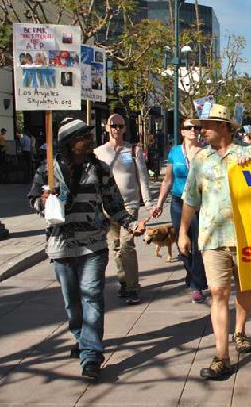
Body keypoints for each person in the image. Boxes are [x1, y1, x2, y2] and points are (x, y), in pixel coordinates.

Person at [28, 118, 145, 380]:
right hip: (61, 245)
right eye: (83, 136)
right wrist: (44, 201)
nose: (89, 139)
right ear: (70, 143)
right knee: (72, 302)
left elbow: (113, 203)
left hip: (93, 244)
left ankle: (91, 355)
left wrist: (129, 223)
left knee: (92, 295)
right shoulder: (48, 169)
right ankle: (81, 338)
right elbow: (33, 199)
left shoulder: (100, 168)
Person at [178, 104, 251, 380]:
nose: (200, 130)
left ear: (225, 127)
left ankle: (240, 331)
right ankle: (222, 356)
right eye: (198, 126)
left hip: (246, 236)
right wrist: (182, 231)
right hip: (212, 237)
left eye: (207, 125)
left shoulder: (250, 153)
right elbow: (191, 198)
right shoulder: (201, 159)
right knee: (218, 293)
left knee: (245, 288)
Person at [94, 114, 153, 305]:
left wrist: (149, 203)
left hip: (129, 205)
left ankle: (133, 287)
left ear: (125, 128)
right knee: (115, 247)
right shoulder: (98, 152)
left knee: (127, 245)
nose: (117, 129)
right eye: (113, 125)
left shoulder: (133, 150)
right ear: (106, 127)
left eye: (120, 126)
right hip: (107, 207)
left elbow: (143, 178)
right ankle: (124, 282)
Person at [152, 118, 208, 303]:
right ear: (182, 131)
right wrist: (159, 203)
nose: (193, 130)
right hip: (178, 202)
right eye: (189, 127)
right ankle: (190, 272)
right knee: (182, 243)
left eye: (196, 127)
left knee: (199, 243)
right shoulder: (175, 152)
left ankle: (197, 285)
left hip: (200, 204)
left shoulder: (207, 152)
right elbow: (168, 179)